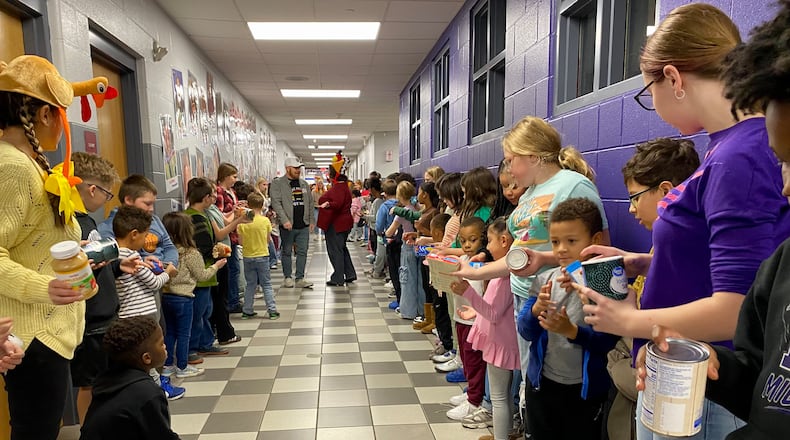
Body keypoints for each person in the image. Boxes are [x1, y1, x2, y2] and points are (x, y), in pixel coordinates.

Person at [572, 4, 790, 439]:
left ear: (671, 78)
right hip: (682, 368)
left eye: (646, 89)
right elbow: (718, 260)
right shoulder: (723, 148)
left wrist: (627, 321)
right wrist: (643, 261)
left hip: (706, 383)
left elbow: (737, 308)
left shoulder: (739, 157)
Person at [0, 55, 100, 439]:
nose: (63, 124)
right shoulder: (12, 166)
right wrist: (45, 287)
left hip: (51, 330)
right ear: (45, 114)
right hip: (31, 334)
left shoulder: (32, 163)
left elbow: (38, 243)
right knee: (35, 430)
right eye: (61, 114)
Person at [604, 138, 700, 440]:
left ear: (666, 191)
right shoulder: (661, 244)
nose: (631, 209)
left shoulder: (685, 244)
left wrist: (625, 314)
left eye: (635, 197)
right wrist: (643, 264)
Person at [517, 198, 617, 440]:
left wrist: (572, 331)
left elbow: (608, 343)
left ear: (594, 241)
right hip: (542, 385)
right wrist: (535, 310)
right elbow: (526, 330)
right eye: (555, 242)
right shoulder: (545, 280)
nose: (561, 249)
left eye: (571, 241)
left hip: (584, 392)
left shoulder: (605, 284)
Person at [450, 217, 520, 440]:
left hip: (501, 341)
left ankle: (501, 435)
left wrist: (467, 294)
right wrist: (474, 312)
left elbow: (493, 312)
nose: (486, 247)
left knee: (499, 398)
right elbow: (492, 306)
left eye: (489, 241)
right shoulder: (501, 271)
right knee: (504, 397)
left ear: (504, 240)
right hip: (500, 337)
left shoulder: (507, 275)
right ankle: (505, 433)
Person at [71, 151, 122, 424]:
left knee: (102, 381)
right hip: (90, 320)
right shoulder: (72, 225)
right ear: (92, 189)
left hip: (103, 314)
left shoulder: (86, 221)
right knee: (90, 384)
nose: (105, 201)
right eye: (106, 194)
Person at [112, 205, 182, 400]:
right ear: (134, 234)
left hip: (126, 313)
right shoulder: (131, 257)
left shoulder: (114, 255)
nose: (145, 242)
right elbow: (154, 283)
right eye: (145, 236)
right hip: (143, 315)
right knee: (149, 359)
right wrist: (168, 272)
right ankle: (159, 392)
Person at [79, 316, 181, 440]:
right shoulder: (147, 393)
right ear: (147, 358)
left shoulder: (106, 380)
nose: (165, 346)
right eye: (161, 343)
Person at [161, 212, 226, 378]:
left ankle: (168, 365)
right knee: (184, 333)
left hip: (166, 296)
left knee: (170, 332)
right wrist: (217, 266)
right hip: (184, 298)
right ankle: (182, 367)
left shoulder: (164, 252)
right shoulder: (191, 253)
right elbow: (202, 275)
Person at [444, 216, 490, 421]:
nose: (467, 245)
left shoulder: (484, 265)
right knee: (465, 358)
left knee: (474, 361)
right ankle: (471, 392)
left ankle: (475, 400)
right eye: (463, 241)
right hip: (461, 317)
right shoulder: (462, 260)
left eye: (473, 240)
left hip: (476, 321)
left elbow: (485, 295)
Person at [184, 178, 231, 363]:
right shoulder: (196, 218)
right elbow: (204, 246)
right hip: (202, 272)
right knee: (199, 312)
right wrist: (217, 252)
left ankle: (205, 341)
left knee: (206, 310)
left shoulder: (199, 215)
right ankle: (193, 348)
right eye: (212, 195)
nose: (214, 198)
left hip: (206, 272)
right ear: (205, 198)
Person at [270, 157, 314, 289]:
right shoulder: (277, 184)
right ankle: (287, 277)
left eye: (299, 168)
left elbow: (310, 203)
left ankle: (300, 278)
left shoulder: (304, 184)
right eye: (295, 168)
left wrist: (312, 220)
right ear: (287, 168)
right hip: (288, 225)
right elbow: (276, 203)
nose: (298, 170)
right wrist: (284, 220)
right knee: (287, 251)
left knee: (303, 251)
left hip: (303, 225)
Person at [385, 181, 425, 319]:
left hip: (408, 247)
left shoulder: (402, 212)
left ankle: (408, 310)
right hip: (420, 247)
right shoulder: (418, 209)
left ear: (399, 195)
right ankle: (422, 310)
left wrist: (386, 233)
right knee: (420, 280)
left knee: (407, 280)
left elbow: (389, 232)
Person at [237, 193, 278, 319]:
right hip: (262, 255)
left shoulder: (242, 222)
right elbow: (268, 239)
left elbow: (240, 242)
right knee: (266, 284)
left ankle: (247, 310)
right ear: (262, 206)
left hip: (248, 256)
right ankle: (272, 310)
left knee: (250, 284)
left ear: (248, 205)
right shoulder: (265, 221)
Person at [318, 172, 357, 286]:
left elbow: (337, 203)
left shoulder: (339, 188)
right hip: (345, 223)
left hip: (336, 224)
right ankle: (350, 274)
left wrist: (328, 204)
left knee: (335, 251)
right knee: (342, 249)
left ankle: (338, 277)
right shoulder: (346, 188)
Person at [214, 163, 242, 313]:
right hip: (227, 234)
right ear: (225, 176)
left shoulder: (231, 191)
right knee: (231, 269)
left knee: (234, 269)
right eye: (233, 176)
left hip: (233, 234)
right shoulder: (219, 192)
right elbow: (219, 216)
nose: (235, 180)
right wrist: (235, 212)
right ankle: (232, 301)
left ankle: (233, 298)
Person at [312, 177, 326, 241]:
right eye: (319, 183)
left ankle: (323, 234)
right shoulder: (313, 192)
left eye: (321, 183)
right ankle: (316, 234)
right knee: (316, 220)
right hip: (316, 208)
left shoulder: (325, 192)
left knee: (323, 221)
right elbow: (312, 201)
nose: (320, 184)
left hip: (323, 208)